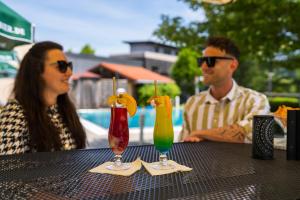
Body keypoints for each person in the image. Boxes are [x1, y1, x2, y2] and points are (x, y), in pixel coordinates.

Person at [0, 41, 86, 155]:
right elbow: (8, 170)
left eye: (69, 66)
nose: (70, 73)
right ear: (37, 71)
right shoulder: (15, 114)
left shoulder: (65, 111)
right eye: (61, 66)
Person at [182, 36, 270, 143]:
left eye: (210, 61)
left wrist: (198, 133)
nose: (203, 67)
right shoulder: (192, 103)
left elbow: (247, 135)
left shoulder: (256, 100)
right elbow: (184, 145)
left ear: (233, 64)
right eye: (202, 61)